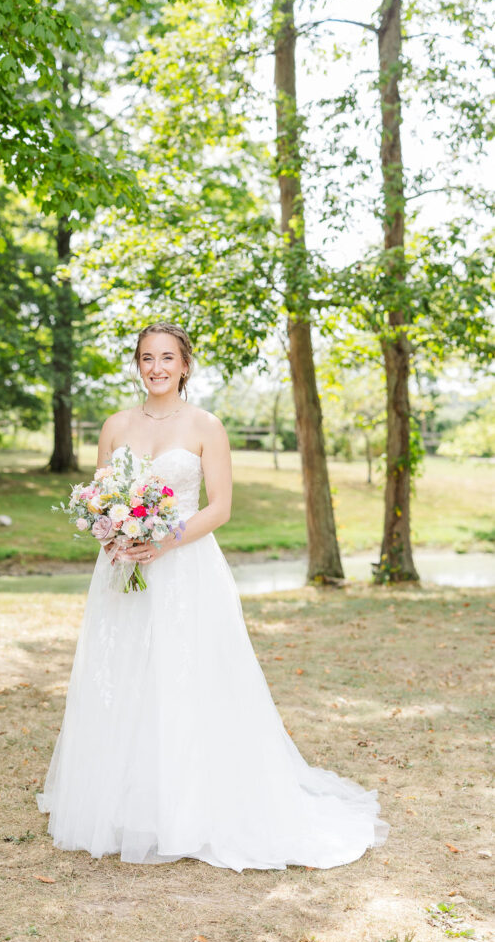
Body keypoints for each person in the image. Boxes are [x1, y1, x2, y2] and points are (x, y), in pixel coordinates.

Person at [37, 321, 389, 871]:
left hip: (185, 571)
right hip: (122, 566)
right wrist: (112, 534)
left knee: (186, 678)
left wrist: (163, 538)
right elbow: (101, 497)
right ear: (137, 363)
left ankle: (189, 807)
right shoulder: (114, 425)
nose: (156, 367)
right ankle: (127, 801)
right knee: (125, 674)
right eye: (146, 357)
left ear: (185, 364)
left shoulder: (206, 426)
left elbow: (219, 507)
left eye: (167, 358)